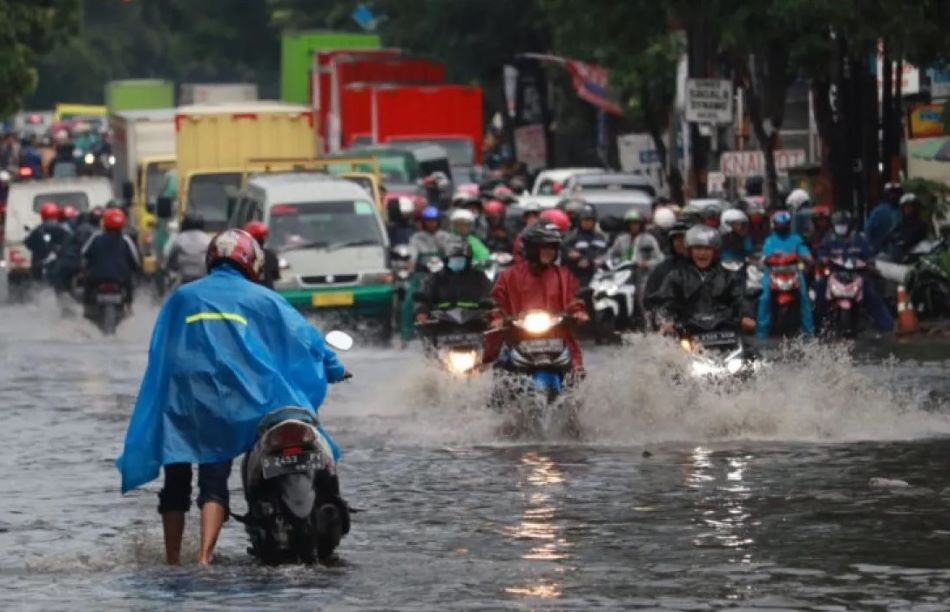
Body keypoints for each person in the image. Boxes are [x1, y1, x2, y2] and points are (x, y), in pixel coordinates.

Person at [115, 229, 349, 566]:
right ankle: (204, 556)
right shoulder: (261, 298)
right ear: (251, 261)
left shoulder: (183, 296)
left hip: (181, 398)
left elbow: (161, 350)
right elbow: (306, 339)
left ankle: (171, 559)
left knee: (176, 478)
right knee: (214, 475)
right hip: (228, 398)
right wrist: (334, 367)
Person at [491, 222, 589, 375]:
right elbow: (497, 302)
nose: (548, 252)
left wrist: (578, 313)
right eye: (544, 247)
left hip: (557, 337)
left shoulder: (563, 275)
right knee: (500, 370)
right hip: (519, 337)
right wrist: (497, 317)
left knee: (576, 373)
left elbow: (574, 300)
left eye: (552, 248)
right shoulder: (509, 276)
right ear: (532, 249)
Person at [655, 226, 753, 334]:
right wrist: (667, 320)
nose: (702, 253)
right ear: (690, 251)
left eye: (707, 249)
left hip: (724, 331)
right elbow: (665, 302)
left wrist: (746, 316)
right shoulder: (677, 276)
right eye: (698, 248)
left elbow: (740, 298)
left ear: (715, 251)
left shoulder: (728, 275)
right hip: (686, 331)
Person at [814, 210, 894, 333]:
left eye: (843, 224)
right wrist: (822, 260)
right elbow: (821, 255)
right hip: (834, 275)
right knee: (819, 288)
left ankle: (886, 326)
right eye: (838, 225)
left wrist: (869, 265)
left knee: (872, 294)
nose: (841, 228)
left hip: (857, 275)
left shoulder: (859, 239)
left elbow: (869, 256)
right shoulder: (828, 239)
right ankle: (816, 326)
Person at [756, 210, 815, 338]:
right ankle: (761, 333)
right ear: (774, 225)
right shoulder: (770, 241)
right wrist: (768, 259)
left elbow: (805, 253)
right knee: (764, 298)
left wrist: (806, 258)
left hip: (794, 272)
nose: (782, 226)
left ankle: (809, 333)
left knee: (804, 298)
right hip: (773, 273)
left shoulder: (796, 239)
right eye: (779, 224)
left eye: (785, 224)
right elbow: (765, 257)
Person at [402, 206, 454, 345]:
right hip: (422, 276)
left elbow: (451, 253)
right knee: (409, 302)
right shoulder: (416, 238)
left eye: (434, 220)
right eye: (428, 221)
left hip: (443, 276)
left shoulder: (445, 236)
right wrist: (411, 264)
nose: (431, 223)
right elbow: (412, 255)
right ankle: (405, 338)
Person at [414, 238, 492, 321]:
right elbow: (422, 298)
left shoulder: (479, 277)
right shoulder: (435, 278)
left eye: (461, 258)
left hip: (474, 323)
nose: (457, 261)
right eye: (453, 259)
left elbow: (490, 296)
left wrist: (489, 307)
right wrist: (421, 311)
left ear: (468, 260)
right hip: (441, 325)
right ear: (446, 260)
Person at [81, 208, 141, 307]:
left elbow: (84, 252)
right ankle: (129, 306)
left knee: (87, 283)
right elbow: (136, 259)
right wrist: (136, 269)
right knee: (129, 284)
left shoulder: (96, 237)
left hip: (97, 276)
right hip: (121, 277)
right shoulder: (126, 240)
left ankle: (87, 306)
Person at [644, 221, 690, 320]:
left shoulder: (701, 265)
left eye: (683, 239)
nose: (680, 243)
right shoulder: (662, 268)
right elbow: (649, 298)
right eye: (677, 240)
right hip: (670, 318)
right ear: (671, 242)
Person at [562, 204, 608, 286]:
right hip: (577, 276)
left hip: (598, 276)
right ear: (580, 221)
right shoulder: (572, 236)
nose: (587, 222)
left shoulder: (600, 237)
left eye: (590, 220)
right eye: (585, 220)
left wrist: (600, 260)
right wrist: (575, 256)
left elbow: (605, 254)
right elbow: (566, 251)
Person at [25, 202, 69, 280]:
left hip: (40, 262)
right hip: (61, 262)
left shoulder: (38, 229)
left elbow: (28, 243)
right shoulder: (64, 228)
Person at [165, 214, 211, 285]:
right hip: (204, 277)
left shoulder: (179, 239)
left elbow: (171, 258)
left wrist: (172, 270)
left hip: (185, 278)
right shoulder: (208, 239)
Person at [886, 193, 929, 262]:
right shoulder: (900, 223)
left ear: (916, 208)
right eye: (905, 206)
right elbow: (890, 235)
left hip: (917, 258)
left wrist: (904, 240)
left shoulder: (921, 224)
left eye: (911, 206)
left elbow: (917, 240)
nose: (908, 209)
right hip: (900, 258)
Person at [864, 182, 903, 255]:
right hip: (880, 251)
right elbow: (868, 231)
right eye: (891, 193)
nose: (894, 196)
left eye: (896, 193)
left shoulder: (903, 210)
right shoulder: (879, 211)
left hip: (899, 250)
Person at [244, 220, 280, 290]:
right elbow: (276, 276)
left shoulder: (243, 255)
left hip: (249, 292)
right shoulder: (270, 255)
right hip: (268, 293)